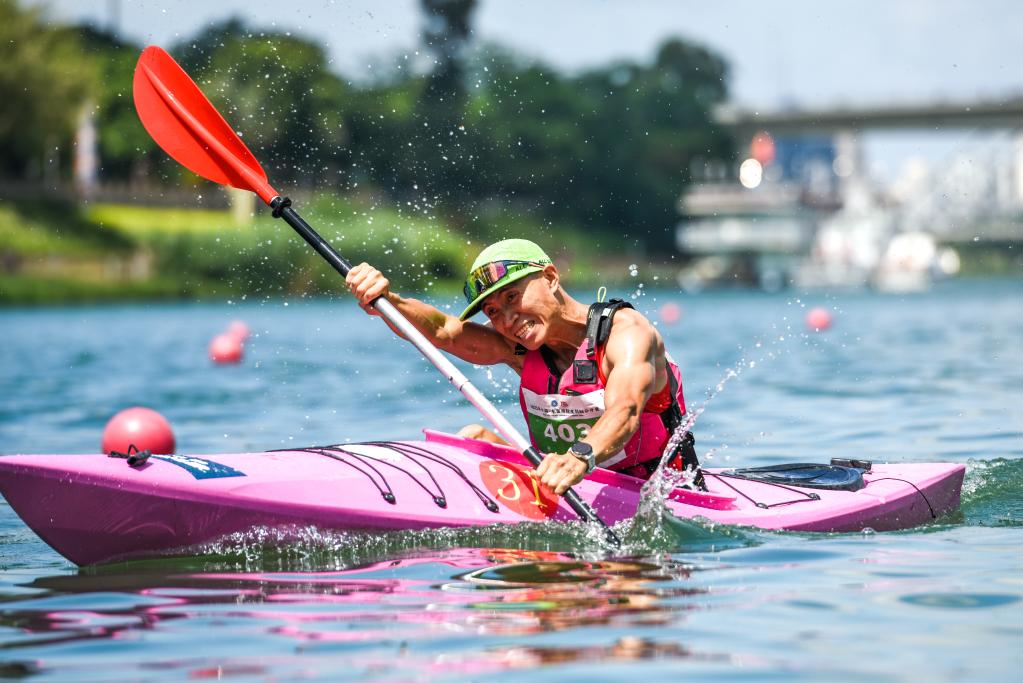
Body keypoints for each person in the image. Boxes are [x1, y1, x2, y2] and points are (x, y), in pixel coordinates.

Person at [345, 238, 703, 497]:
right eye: (494, 312)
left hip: (659, 492)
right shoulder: (517, 347)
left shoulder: (626, 332)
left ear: (550, 277)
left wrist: (579, 457)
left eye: (512, 297)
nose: (508, 319)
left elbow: (625, 410)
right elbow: (443, 331)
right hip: (563, 481)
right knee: (473, 438)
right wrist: (386, 302)